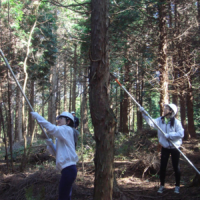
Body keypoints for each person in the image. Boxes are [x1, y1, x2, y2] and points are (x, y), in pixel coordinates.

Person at [30, 111, 78, 200]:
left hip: (69, 169)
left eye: (61, 118)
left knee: (63, 197)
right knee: (65, 196)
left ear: (68, 121)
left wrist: (38, 117)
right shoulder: (62, 134)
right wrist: (50, 144)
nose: (58, 120)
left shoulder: (67, 129)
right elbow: (56, 153)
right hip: (67, 170)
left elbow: (52, 129)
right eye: (58, 119)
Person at [139, 103, 184, 194]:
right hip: (165, 148)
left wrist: (170, 136)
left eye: (166, 108)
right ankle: (162, 185)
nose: (164, 109)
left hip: (175, 148)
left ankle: (177, 186)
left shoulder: (176, 122)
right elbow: (151, 122)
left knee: (176, 167)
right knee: (163, 167)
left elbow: (181, 134)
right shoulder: (160, 120)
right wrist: (144, 113)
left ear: (171, 111)